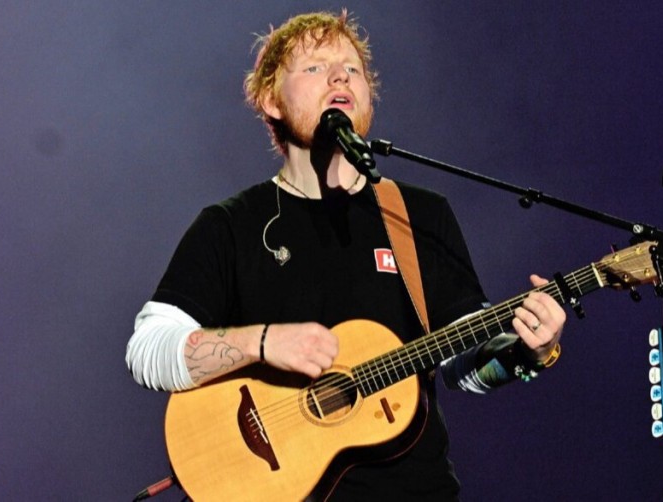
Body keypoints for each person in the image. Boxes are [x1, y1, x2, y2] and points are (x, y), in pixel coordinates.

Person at [126, 10, 566, 501]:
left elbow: (463, 363)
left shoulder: (418, 215)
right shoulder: (231, 225)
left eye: (352, 69)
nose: (339, 77)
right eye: (315, 67)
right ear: (270, 100)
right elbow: (148, 350)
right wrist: (262, 342)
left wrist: (526, 352)